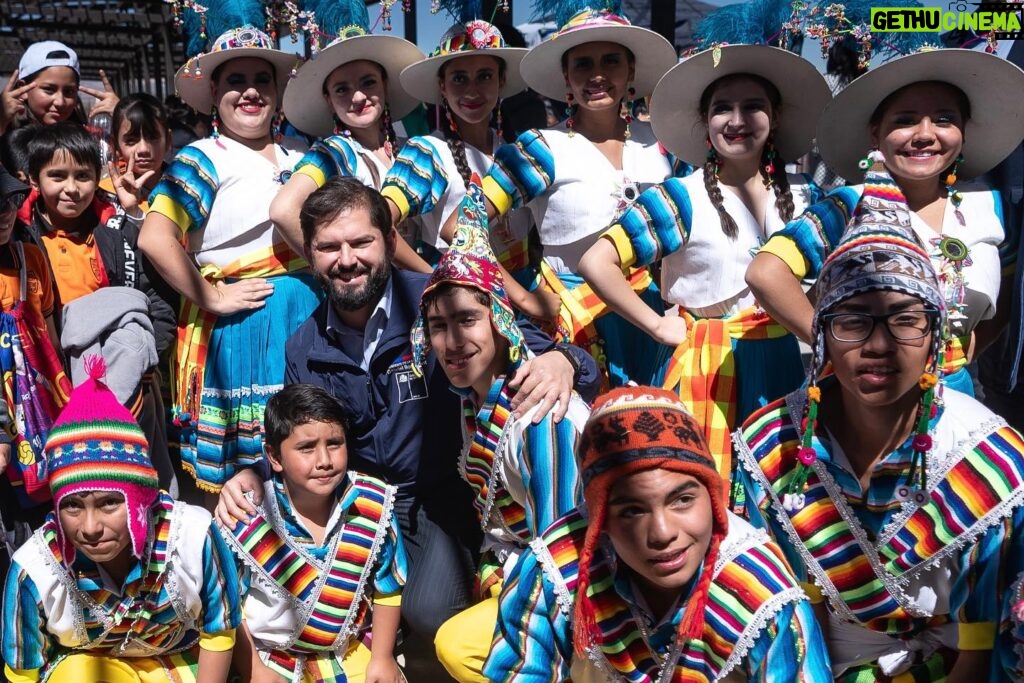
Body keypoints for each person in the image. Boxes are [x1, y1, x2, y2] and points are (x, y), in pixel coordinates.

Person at [215, 177, 598, 677]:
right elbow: (299, 430)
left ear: (388, 241)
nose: (346, 259)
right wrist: (252, 473)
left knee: (434, 614)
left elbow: (522, 342)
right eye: (329, 247)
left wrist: (564, 361)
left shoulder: (439, 304)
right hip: (363, 503)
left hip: (447, 496)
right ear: (309, 256)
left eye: (361, 241)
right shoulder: (303, 345)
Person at [734, 154, 1024, 681]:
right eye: (852, 321)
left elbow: (986, 634)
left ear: (936, 341)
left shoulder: (992, 457)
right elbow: (772, 612)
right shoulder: (768, 448)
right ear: (821, 335)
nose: (879, 346)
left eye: (906, 320)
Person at [578, 43, 830, 480]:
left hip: (781, 359)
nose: (736, 121)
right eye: (722, 109)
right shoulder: (680, 197)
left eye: (753, 107)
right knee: (699, 484)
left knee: (780, 486)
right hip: (704, 365)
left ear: (775, 117)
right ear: (705, 122)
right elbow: (598, 262)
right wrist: (657, 325)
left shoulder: (807, 195)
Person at [485, 385, 832, 681]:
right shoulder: (557, 566)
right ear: (599, 517)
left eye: (682, 500)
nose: (662, 533)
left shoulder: (762, 591)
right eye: (632, 510)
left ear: (712, 498)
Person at [747, 48, 1024, 396]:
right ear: (875, 135)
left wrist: (965, 352)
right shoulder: (852, 203)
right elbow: (766, 272)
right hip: (867, 399)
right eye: (905, 120)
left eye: (943, 119)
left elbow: (1010, 291)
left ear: (964, 132)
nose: (925, 134)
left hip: (955, 393)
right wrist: (832, 346)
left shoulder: (988, 204)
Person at [412, 181, 588, 682]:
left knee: (456, 643)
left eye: (468, 319)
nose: (453, 341)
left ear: (500, 323)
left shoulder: (539, 414)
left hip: (578, 587)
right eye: (437, 326)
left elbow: (565, 556)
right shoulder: (473, 399)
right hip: (519, 565)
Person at [139, 19, 321, 498]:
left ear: (278, 91)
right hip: (247, 330)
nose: (250, 92)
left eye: (262, 80)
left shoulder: (300, 157)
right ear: (215, 92)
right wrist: (212, 297)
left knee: (312, 464)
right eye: (236, 82)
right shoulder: (202, 158)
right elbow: (157, 237)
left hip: (310, 321)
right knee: (251, 483)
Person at [457, 6, 679, 388]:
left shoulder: (660, 146)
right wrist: (524, 300)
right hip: (574, 324)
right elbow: (466, 222)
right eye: (582, 64)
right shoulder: (541, 148)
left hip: (651, 314)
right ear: (566, 78)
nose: (597, 74)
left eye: (611, 60)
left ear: (630, 71)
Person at [1, 357, 241, 683]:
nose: (90, 528)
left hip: (181, 668)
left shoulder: (193, 537)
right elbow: (23, 673)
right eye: (72, 506)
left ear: (142, 499)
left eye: (110, 503)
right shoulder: (35, 569)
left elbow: (219, 631)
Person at [220, 383, 406, 683]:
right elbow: (227, 608)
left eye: (334, 443)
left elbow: (388, 587)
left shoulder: (373, 505)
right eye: (306, 448)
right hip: (269, 659)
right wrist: (254, 670)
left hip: (348, 650)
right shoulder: (246, 517)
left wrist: (383, 658)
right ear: (274, 457)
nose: (324, 460)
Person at [270, 0, 426, 269]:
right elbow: (283, 211)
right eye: (342, 89)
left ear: (385, 85)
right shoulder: (334, 153)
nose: (358, 97)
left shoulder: (405, 145)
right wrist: (332, 268)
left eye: (368, 82)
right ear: (328, 99)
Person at [380, 15, 535, 281]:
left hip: (526, 287)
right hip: (461, 297)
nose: (472, 91)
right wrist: (430, 276)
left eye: (484, 76)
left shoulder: (518, 150)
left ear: (501, 81)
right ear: (442, 85)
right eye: (459, 78)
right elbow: (378, 223)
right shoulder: (428, 153)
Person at [0, 162, 69, 505]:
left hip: (40, 397)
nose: (4, 214)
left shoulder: (31, 258)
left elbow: (50, 338)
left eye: (10, 202)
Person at [0, 41, 119, 135]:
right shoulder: (6, 137)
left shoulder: (92, 139)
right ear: (23, 88)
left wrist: (122, 116)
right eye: (49, 90)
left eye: (68, 92)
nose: (60, 102)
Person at [100, 93, 174, 217]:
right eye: (131, 140)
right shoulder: (104, 194)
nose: (143, 149)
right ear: (115, 146)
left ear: (168, 141)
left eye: (152, 137)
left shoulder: (186, 190)